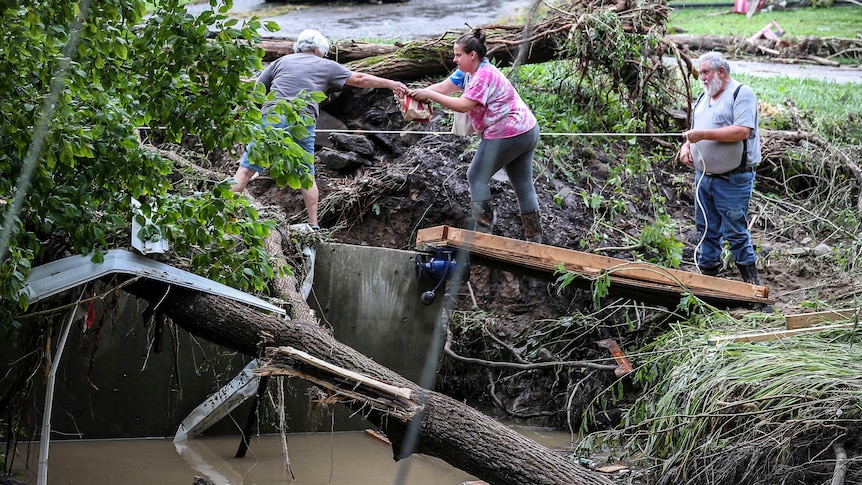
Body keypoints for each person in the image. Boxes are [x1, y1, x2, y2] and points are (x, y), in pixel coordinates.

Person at [231, 29, 408, 229]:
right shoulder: (326, 65)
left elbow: (258, 90)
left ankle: (223, 212)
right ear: (319, 49)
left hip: (272, 115)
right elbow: (359, 79)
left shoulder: (281, 62)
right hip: (302, 120)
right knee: (306, 175)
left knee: (245, 170)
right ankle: (313, 225)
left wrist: (261, 114)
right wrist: (391, 83)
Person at [407, 28, 543, 243]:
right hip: (526, 129)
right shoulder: (467, 73)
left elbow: (463, 105)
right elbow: (443, 87)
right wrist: (416, 96)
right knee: (523, 186)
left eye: (458, 55)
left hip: (508, 132)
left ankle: (483, 233)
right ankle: (535, 240)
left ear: (472, 55)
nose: (454, 59)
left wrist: (429, 95)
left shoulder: (483, 76)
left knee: (476, 176)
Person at [679, 51, 764, 286]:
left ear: (721, 72)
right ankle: (709, 282)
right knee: (706, 228)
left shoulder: (741, 93)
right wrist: (686, 146)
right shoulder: (703, 98)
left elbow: (742, 131)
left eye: (705, 72)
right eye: (701, 73)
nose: (702, 77)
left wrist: (702, 135)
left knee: (735, 232)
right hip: (704, 177)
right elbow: (695, 129)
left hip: (733, 179)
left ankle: (752, 286)